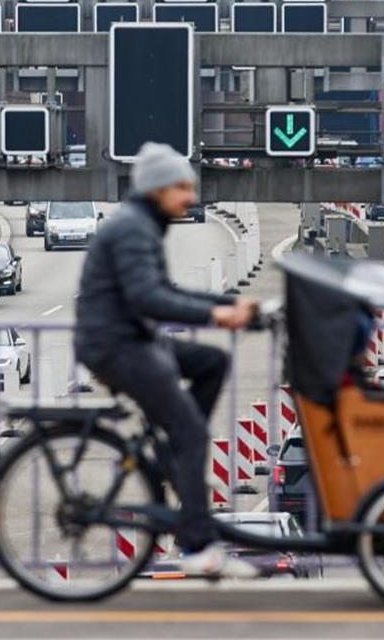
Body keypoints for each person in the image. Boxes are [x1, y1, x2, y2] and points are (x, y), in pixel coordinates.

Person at [74, 142, 258, 578]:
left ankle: (177, 457)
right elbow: (148, 297)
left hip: (134, 339)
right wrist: (216, 313)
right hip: (118, 345)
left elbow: (169, 291)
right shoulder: (133, 229)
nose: (191, 198)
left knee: (211, 363)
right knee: (193, 433)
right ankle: (196, 546)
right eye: (182, 188)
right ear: (157, 188)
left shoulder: (144, 224)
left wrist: (230, 303)